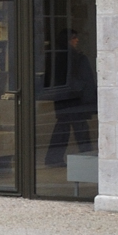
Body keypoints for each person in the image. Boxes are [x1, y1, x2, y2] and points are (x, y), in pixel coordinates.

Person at [42, 29, 97, 168]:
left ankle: (54, 158)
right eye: (73, 38)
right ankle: (88, 158)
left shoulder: (60, 56)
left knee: (65, 127)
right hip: (73, 98)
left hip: (66, 98)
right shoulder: (71, 57)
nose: (76, 40)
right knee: (79, 128)